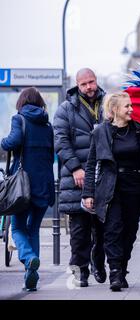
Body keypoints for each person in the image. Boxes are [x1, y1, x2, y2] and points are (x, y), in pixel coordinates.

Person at [82, 92, 140, 292]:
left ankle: (122, 268)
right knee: (113, 230)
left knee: (130, 232)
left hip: (135, 187)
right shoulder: (100, 132)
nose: (131, 109)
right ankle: (115, 274)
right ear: (114, 110)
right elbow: (91, 163)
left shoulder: (138, 130)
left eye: (131, 106)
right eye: (127, 106)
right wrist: (88, 193)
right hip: (110, 187)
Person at [53, 68, 106, 287]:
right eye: (84, 84)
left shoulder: (107, 104)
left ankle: (99, 263)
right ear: (77, 85)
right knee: (79, 231)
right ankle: (81, 271)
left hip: (103, 177)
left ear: (96, 80)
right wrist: (75, 168)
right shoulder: (65, 109)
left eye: (91, 82)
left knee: (103, 228)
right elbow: (61, 142)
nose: (89, 87)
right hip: (78, 179)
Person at [1, 87, 55, 291]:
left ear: (22, 102)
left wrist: (3, 142)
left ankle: (29, 257)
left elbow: (12, 142)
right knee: (33, 230)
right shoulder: (47, 125)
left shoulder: (19, 119)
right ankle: (31, 275)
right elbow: (51, 154)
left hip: (22, 186)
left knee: (17, 228)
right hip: (45, 184)